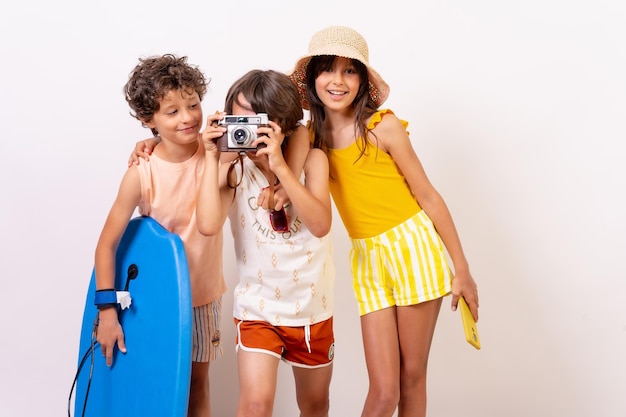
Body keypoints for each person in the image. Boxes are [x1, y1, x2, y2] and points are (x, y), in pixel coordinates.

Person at [288, 26, 480, 417]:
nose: (338, 81)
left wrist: (462, 268)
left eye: (349, 71)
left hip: (414, 249)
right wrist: (157, 141)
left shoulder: (384, 128)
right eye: (327, 70)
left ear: (362, 80)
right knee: (382, 391)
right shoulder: (310, 137)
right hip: (368, 258)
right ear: (312, 80)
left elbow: (428, 196)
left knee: (411, 378)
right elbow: (275, 159)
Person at [196, 69, 335, 417]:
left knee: (315, 405)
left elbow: (320, 225)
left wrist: (282, 170)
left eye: (259, 121)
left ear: (283, 126)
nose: (249, 131)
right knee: (256, 405)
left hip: (311, 308)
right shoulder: (236, 167)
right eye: (239, 119)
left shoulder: (312, 160)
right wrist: (213, 157)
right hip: (257, 310)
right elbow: (208, 224)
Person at [94, 54, 226, 417]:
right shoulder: (141, 173)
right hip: (153, 300)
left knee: (197, 384)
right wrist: (107, 312)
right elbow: (107, 244)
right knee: (156, 382)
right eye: (171, 112)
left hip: (203, 295)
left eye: (193, 104)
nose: (187, 117)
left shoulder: (218, 151)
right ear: (146, 120)